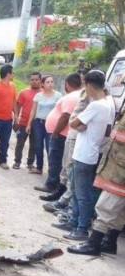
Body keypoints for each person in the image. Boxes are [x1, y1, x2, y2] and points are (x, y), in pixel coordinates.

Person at [62, 70, 114, 241]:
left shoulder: (95, 105)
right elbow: (106, 130)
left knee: (81, 194)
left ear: (89, 85)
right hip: (95, 152)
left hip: (84, 154)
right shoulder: (109, 103)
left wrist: (80, 125)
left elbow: (73, 122)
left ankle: (81, 228)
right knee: (81, 192)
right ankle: (75, 222)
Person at [67, 103, 125, 255]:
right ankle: (110, 242)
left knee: (106, 206)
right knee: (120, 210)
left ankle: (94, 244)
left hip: (120, 171)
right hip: (118, 167)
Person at [35, 73, 83, 194]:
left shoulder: (71, 97)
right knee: (60, 160)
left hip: (61, 133)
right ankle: (56, 184)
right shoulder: (79, 95)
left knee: (55, 159)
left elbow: (65, 116)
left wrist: (56, 132)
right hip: (64, 133)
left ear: (67, 84)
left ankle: (52, 184)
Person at [26, 76, 62, 175]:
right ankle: (39, 167)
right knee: (38, 145)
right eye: (47, 82)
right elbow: (33, 110)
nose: (50, 84)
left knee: (49, 146)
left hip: (50, 124)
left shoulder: (58, 96)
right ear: (43, 84)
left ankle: (52, 170)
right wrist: (29, 124)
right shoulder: (38, 96)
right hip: (38, 123)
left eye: (52, 82)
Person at [13, 72, 42, 170]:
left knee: (34, 144)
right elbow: (17, 106)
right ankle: (17, 162)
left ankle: (30, 163)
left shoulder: (43, 93)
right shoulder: (23, 92)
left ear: (40, 80)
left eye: (36, 79)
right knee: (20, 143)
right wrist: (16, 117)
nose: (34, 82)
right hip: (23, 123)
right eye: (32, 80)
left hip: (37, 124)